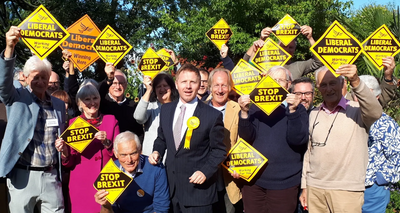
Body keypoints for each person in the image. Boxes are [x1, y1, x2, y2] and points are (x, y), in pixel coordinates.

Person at [0, 26, 66, 212]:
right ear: (26, 78)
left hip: (51, 176)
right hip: (23, 176)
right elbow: (3, 84)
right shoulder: (17, 97)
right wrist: (10, 48)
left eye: (44, 77)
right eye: (35, 77)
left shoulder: (58, 105)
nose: (40, 81)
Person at [300, 66, 382, 213]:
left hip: (346, 190)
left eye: (333, 83)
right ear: (318, 88)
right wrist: (305, 185)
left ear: (342, 84)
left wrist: (356, 81)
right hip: (315, 189)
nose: (328, 89)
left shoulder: (357, 111)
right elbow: (310, 152)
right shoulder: (314, 113)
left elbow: (375, 111)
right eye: (323, 85)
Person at [149, 63, 226, 213]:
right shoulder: (166, 110)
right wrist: (156, 151)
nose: (188, 86)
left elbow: (219, 150)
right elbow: (161, 139)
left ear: (200, 85)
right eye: (184, 82)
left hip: (198, 194)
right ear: (176, 84)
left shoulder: (212, 115)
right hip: (171, 191)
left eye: (193, 82)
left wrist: (205, 171)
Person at [237, 65, 309, 213]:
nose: (276, 83)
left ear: (288, 84)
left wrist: (292, 111)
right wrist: (244, 113)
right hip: (254, 181)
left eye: (280, 80)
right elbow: (246, 138)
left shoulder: (298, 109)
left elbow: (298, 140)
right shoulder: (254, 107)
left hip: (285, 183)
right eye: (272, 79)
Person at [57, 84, 120, 213]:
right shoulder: (73, 124)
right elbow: (69, 163)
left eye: (95, 98)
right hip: (81, 184)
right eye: (87, 99)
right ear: (80, 103)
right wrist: (64, 152)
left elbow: (120, 155)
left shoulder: (111, 120)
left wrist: (107, 143)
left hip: (107, 181)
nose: (92, 102)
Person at [355, 75, 400, 213]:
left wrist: (380, 179)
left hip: (372, 190)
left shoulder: (386, 124)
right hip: (347, 186)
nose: (361, 99)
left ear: (377, 97)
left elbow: (397, 155)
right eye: (358, 94)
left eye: (366, 94)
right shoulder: (347, 119)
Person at [95, 131, 170, 213]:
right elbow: (109, 210)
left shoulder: (156, 168)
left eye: (133, 154)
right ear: (116, 154)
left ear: (140, 150)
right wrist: (106, 206)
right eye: (123, 155)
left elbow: (161, 209)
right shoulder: (110, 172)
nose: (129, 160)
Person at [206, 68, 243, 213]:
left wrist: (240, 165)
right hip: (206, 179)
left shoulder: (238, 109)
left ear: (230, 87)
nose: (220, 90)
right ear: (210, 87)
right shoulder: (198, 109)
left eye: (224, 85)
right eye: (216, 85)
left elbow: (244, 141)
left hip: (230, 178)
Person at [244, 25, 323, 80]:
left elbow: (319, 61)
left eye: (291, 47)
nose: (287, 50)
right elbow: (245, 62)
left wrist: (310, 38)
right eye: (284, 46)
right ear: (277, 47)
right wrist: (261, 40)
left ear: (295, 49)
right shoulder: (265, 62)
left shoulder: (299, 66)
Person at [133, 72, 178, 157]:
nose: (162, 89)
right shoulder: (151, 106)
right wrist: (149, 90)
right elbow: (138, 117)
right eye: (158, 86)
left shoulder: (179, 107)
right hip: (151, 156)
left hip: (172, 158)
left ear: (171, 88)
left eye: (165, 86)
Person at [99, 63, 144, 141]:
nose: (117, 87)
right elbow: (99, 91)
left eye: (121, 83)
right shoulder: (102, 102)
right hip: (107, 148)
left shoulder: (133, 105)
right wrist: (109, 78)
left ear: (126, 85)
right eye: (114, 83)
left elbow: (139, 131)